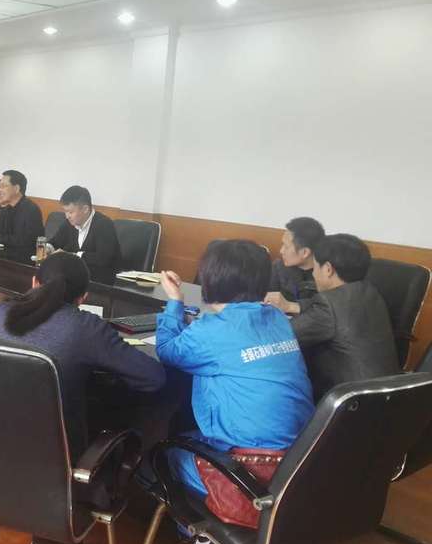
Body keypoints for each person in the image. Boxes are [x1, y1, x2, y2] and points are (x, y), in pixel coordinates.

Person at [0, 252, 167, 544]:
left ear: (34, 282)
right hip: (63, 462)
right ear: (83, 297)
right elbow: (154, 378)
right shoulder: (84, 327)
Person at [156, 240, 314, 516]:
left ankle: (195, 532)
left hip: (252, 475)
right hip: (302, 464)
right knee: (189, 432)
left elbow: (168, 351)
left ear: (209, 279)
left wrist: (174, 301)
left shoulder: (213, 330)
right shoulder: (276, 317)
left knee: (162, 453)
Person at [284, 234, 399, 400]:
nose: (314, 274)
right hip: (389, 395)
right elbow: (327, 308)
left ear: (328, 269)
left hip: (352, 402)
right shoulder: (369, 290)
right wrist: (292, 306)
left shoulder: (329, 306)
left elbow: (281, 336)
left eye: (315, 267)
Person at [48, 185, 122, 285]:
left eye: (70, 212)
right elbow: (55, 242)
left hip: (102, 282)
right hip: (77, 278)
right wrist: (47, 248)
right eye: (65, 211)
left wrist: (72, 256)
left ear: (85, 209)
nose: (67, 216)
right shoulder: (69, 223)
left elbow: (104, 258)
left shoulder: (104, 224)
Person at [264, 217, 325, 310]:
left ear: (305, 252)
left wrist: (290, 306)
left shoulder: (327, 275)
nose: (281, 251)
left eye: (286, 246)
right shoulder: (279, 267)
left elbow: (328, 310)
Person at [0, 170, 44, 254]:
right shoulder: (6, 208)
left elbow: (28, 240)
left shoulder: (31, 210)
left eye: (3, 186)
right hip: (4, 254)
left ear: (16, 189)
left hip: (23, 258)